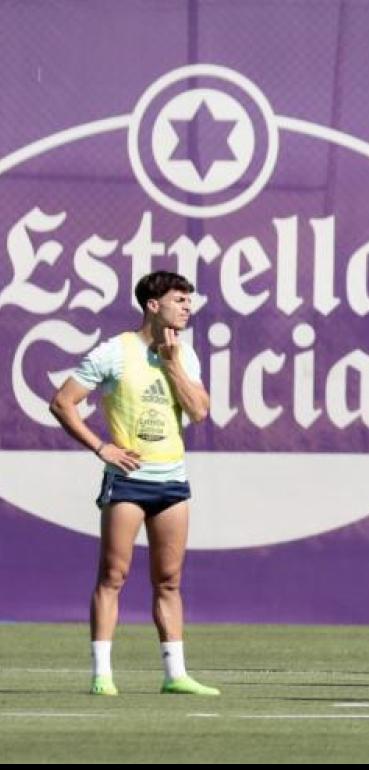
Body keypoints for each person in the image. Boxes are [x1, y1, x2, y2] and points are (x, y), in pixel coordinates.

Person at [49, 270, 218, 696]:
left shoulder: (184, 353)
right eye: (179, 300)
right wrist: (100, 447)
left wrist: (173, 361)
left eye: (189, 301)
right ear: (153, 305)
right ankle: (102, 674)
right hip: (127, 482)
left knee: (169, 580)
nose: (187, 307)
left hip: (172, 483)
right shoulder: (114, 352)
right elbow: (62, 402)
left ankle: (175, 675)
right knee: (113, 575)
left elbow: (199, 411)